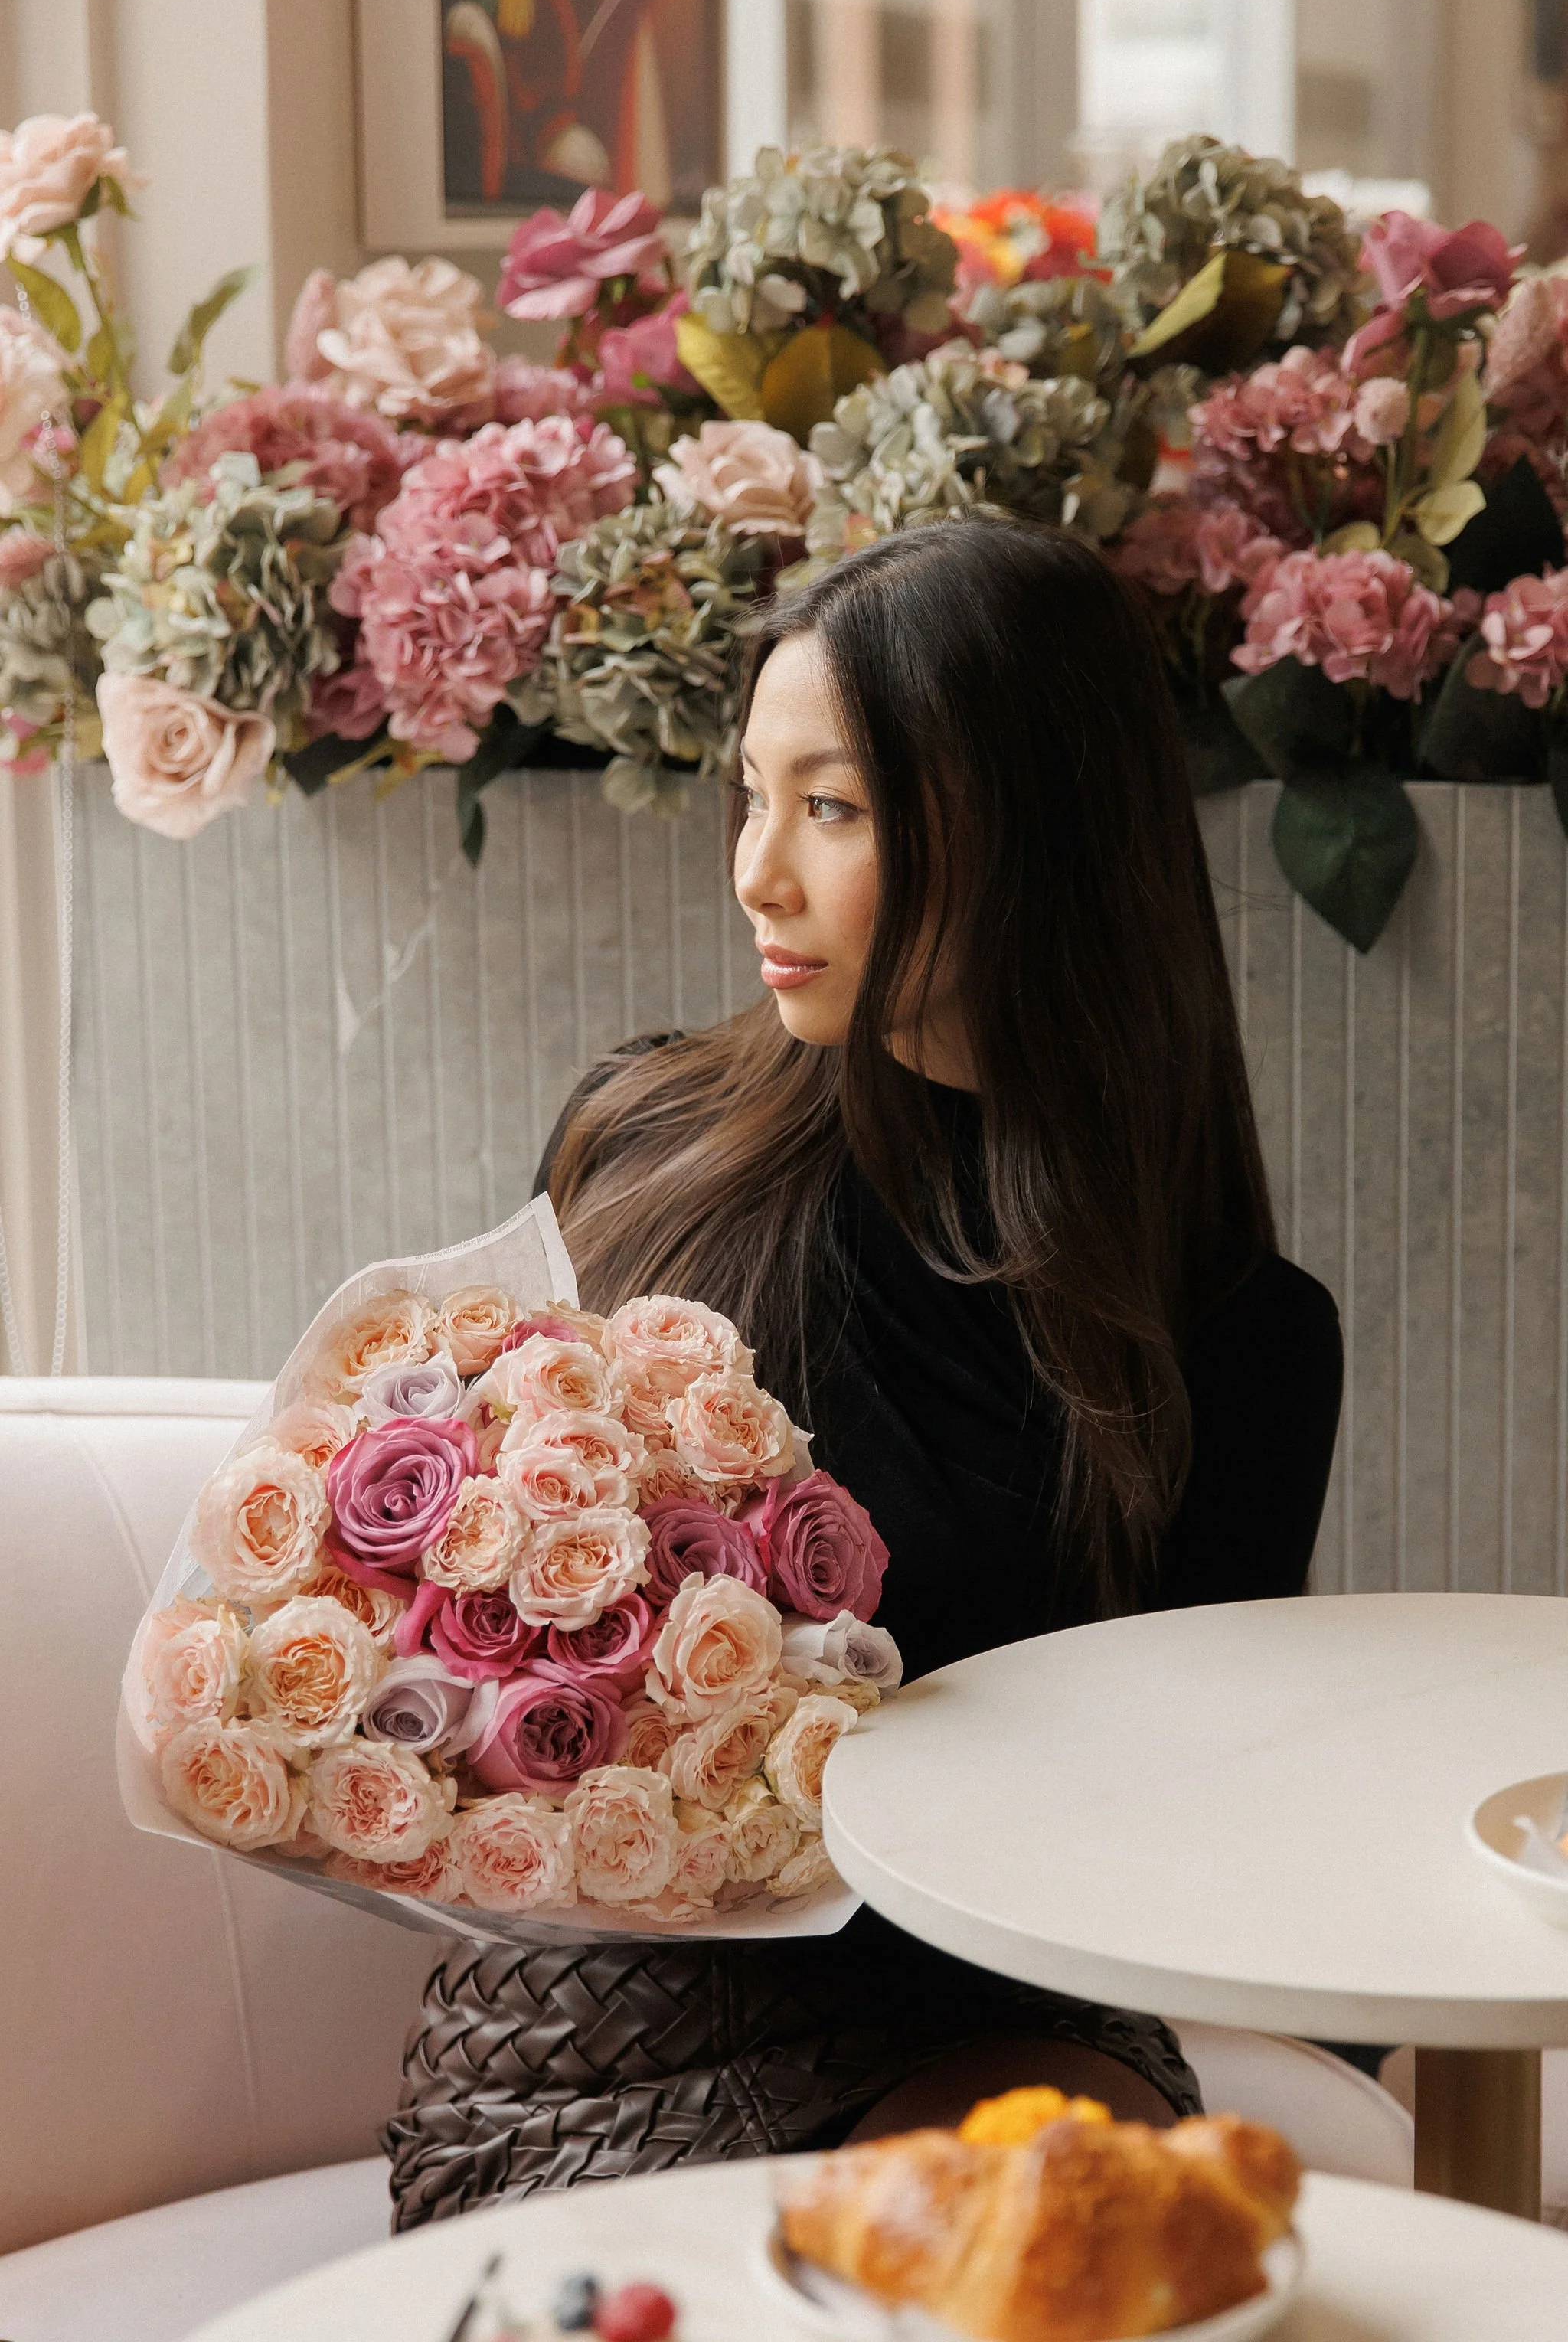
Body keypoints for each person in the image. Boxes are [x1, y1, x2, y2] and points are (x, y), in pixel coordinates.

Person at [384, 518, 1343, 2226]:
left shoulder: (1237, 1340)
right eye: (752, 797)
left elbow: (1196, 1839)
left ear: (1037, 834)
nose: (757, 874)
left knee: (1056, 2242)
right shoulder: (645, 1145)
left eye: (829, 809)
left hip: (991, 2007)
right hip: (603, 2008)